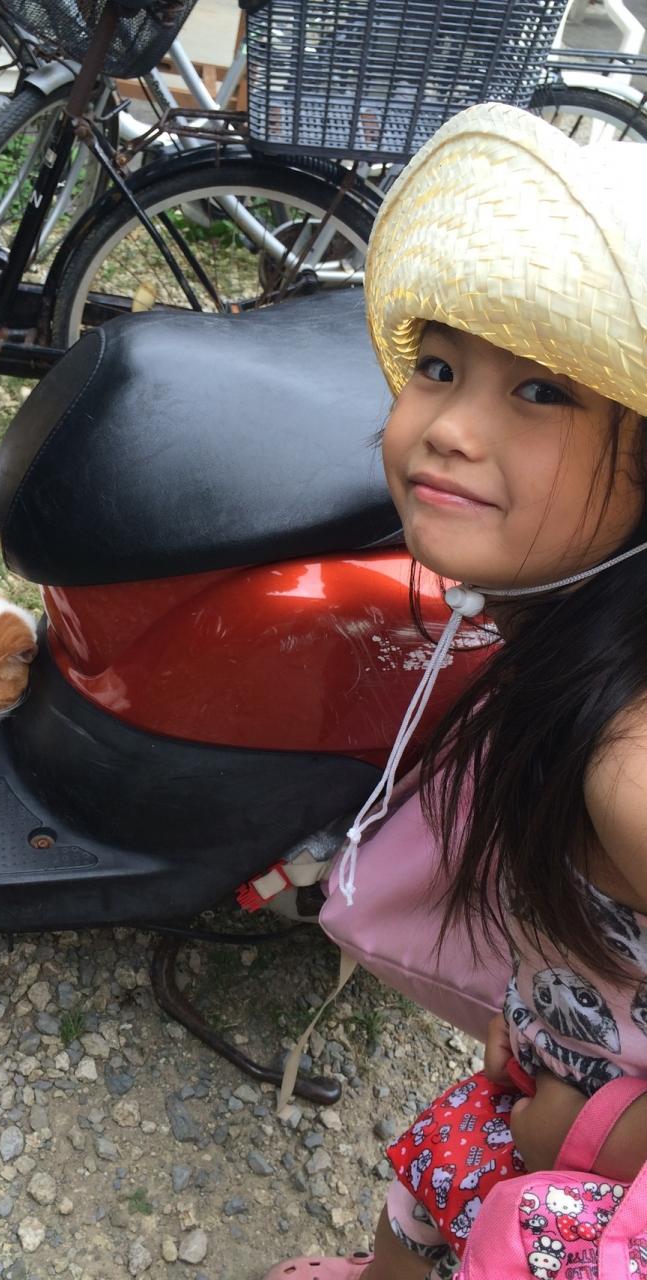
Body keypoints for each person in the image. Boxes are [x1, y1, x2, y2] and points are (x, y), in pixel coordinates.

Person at [264, 101, 647, 1279]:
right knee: (436, 1167)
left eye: (540, 392)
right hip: (555, 1060)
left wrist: (605, 1134)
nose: (448, 427)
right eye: (437, 368)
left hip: (602, 1174)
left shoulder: (626, 765)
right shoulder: (555, 637)